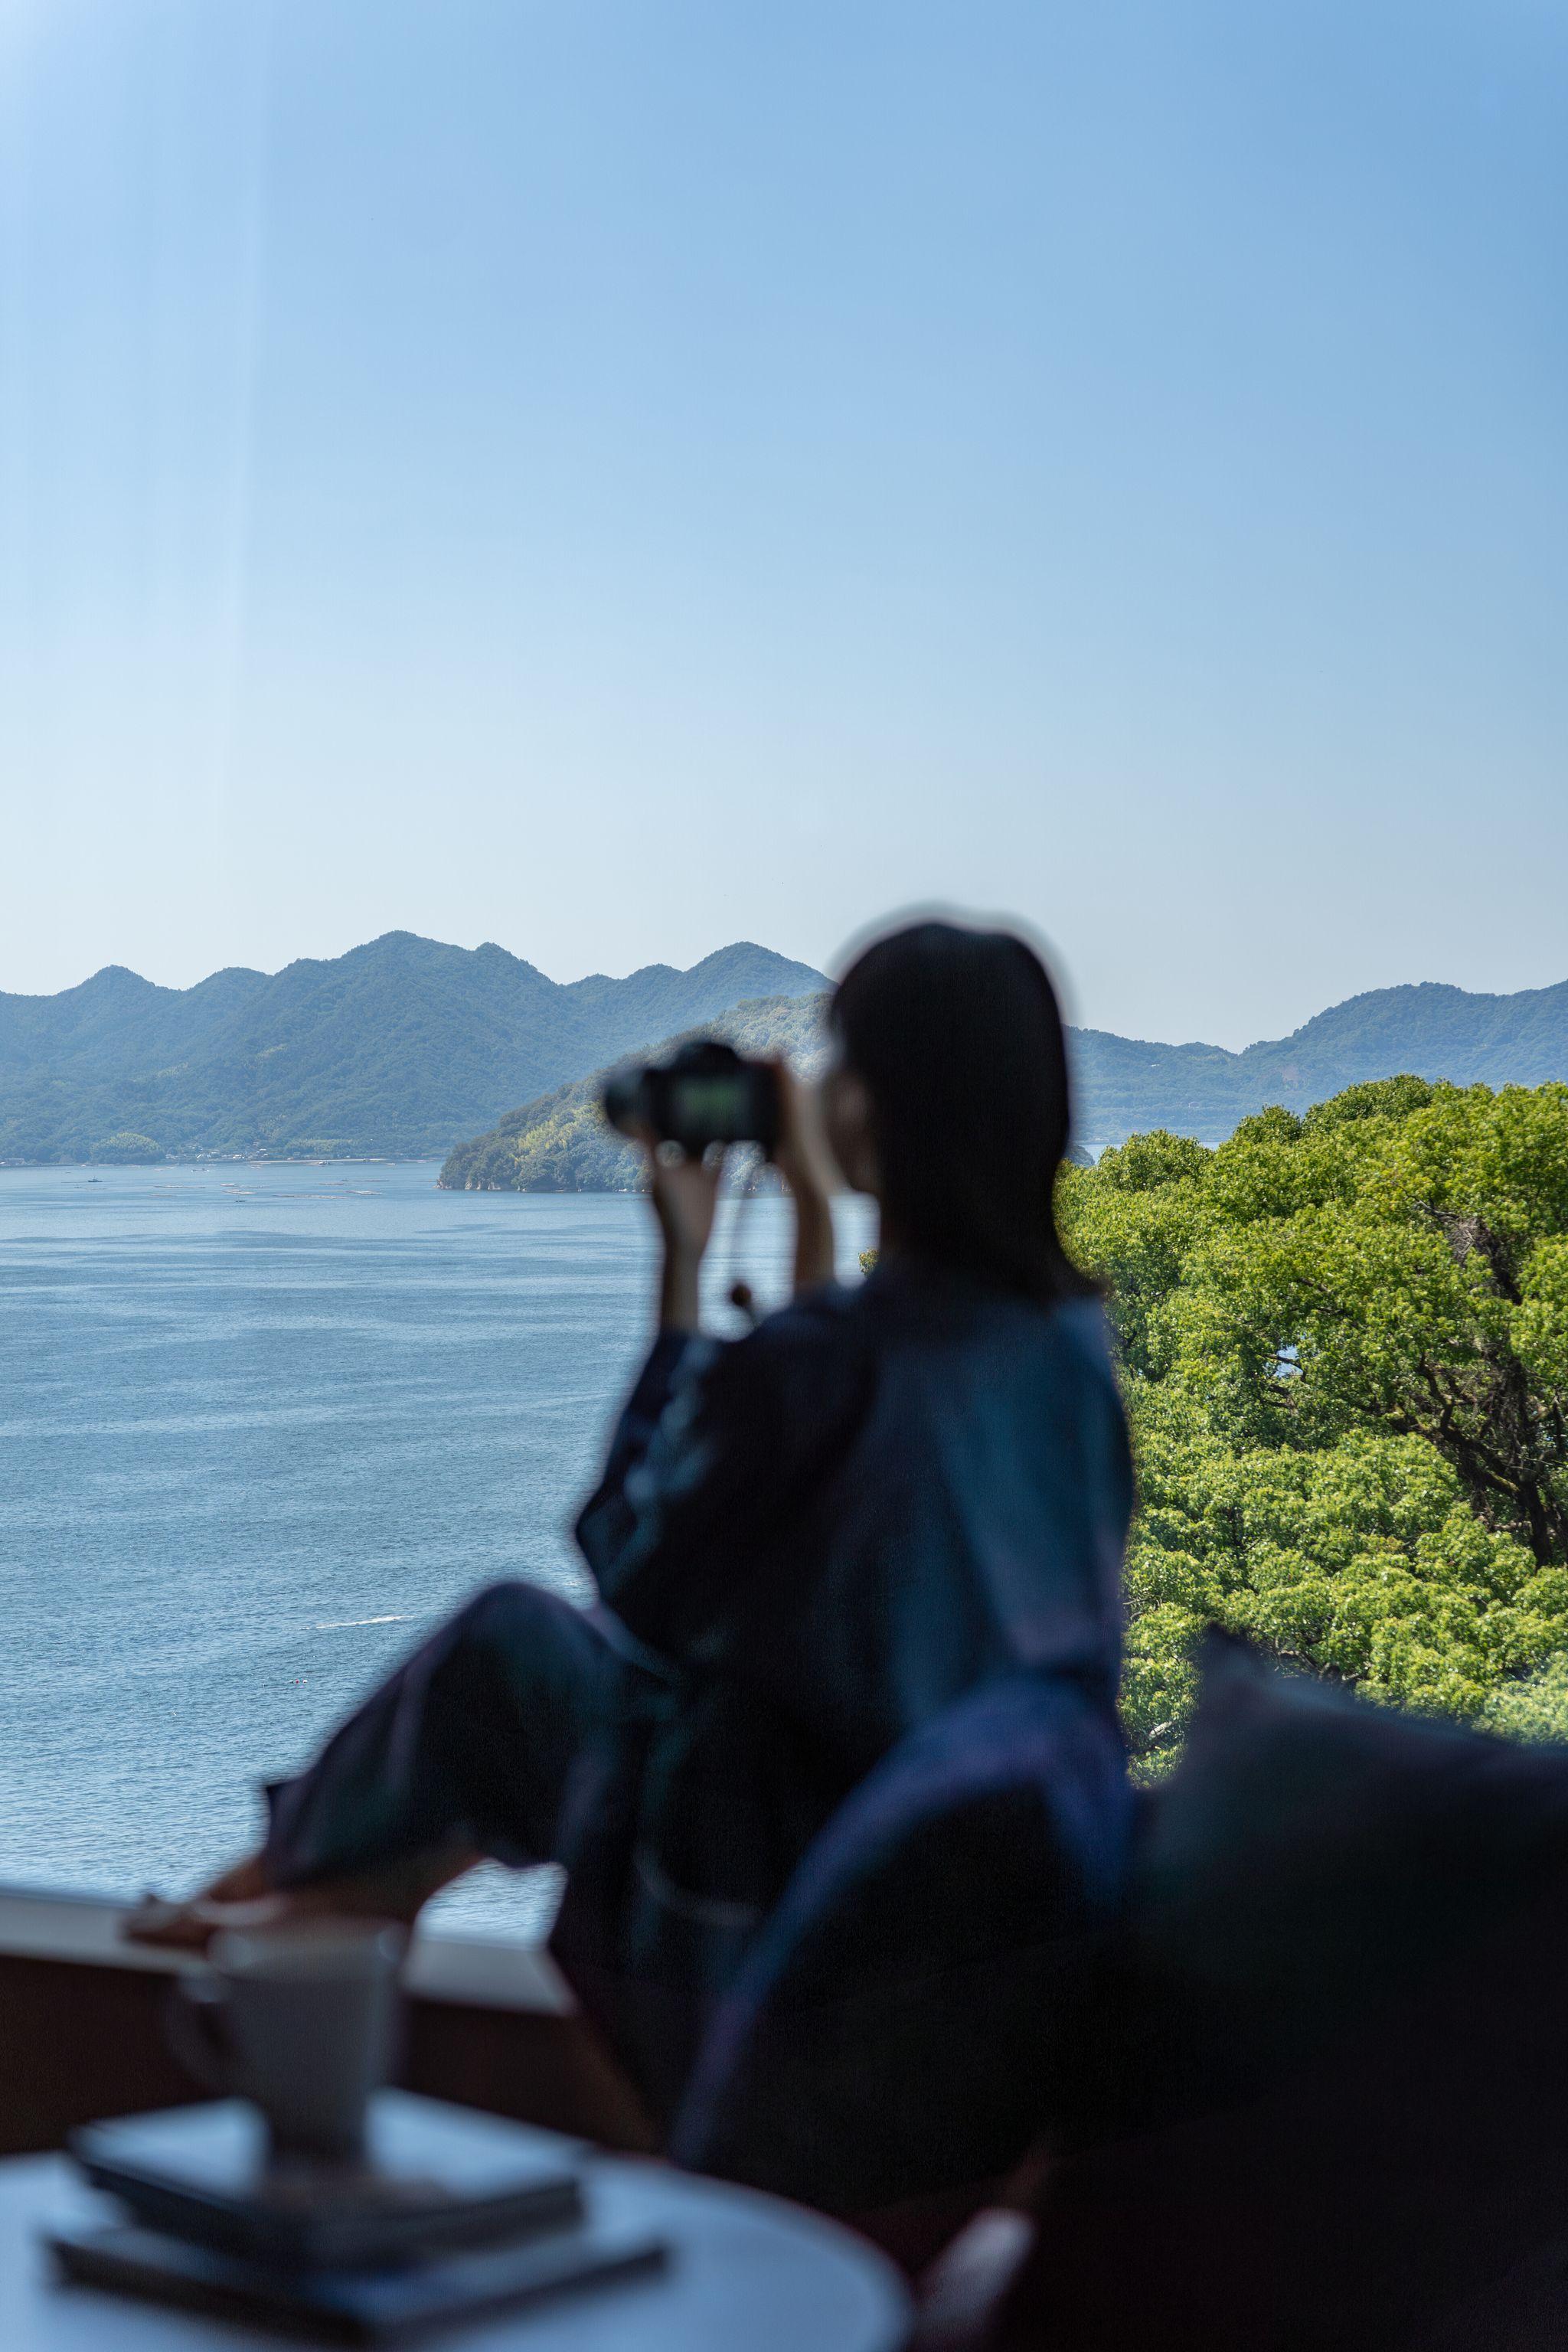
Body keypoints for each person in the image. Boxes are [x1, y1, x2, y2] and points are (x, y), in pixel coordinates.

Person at [131, 919, 1135, 2119]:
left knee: (507, 1648)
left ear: (870, 1108)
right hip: (979, 1900)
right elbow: (839, 1485)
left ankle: (284, 1887)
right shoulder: (1072, 1353)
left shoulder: (825, 1365)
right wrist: (811, 1235)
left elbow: (630, 1566)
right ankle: (322, 1888)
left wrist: (679, 1288)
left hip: (773, 1879)